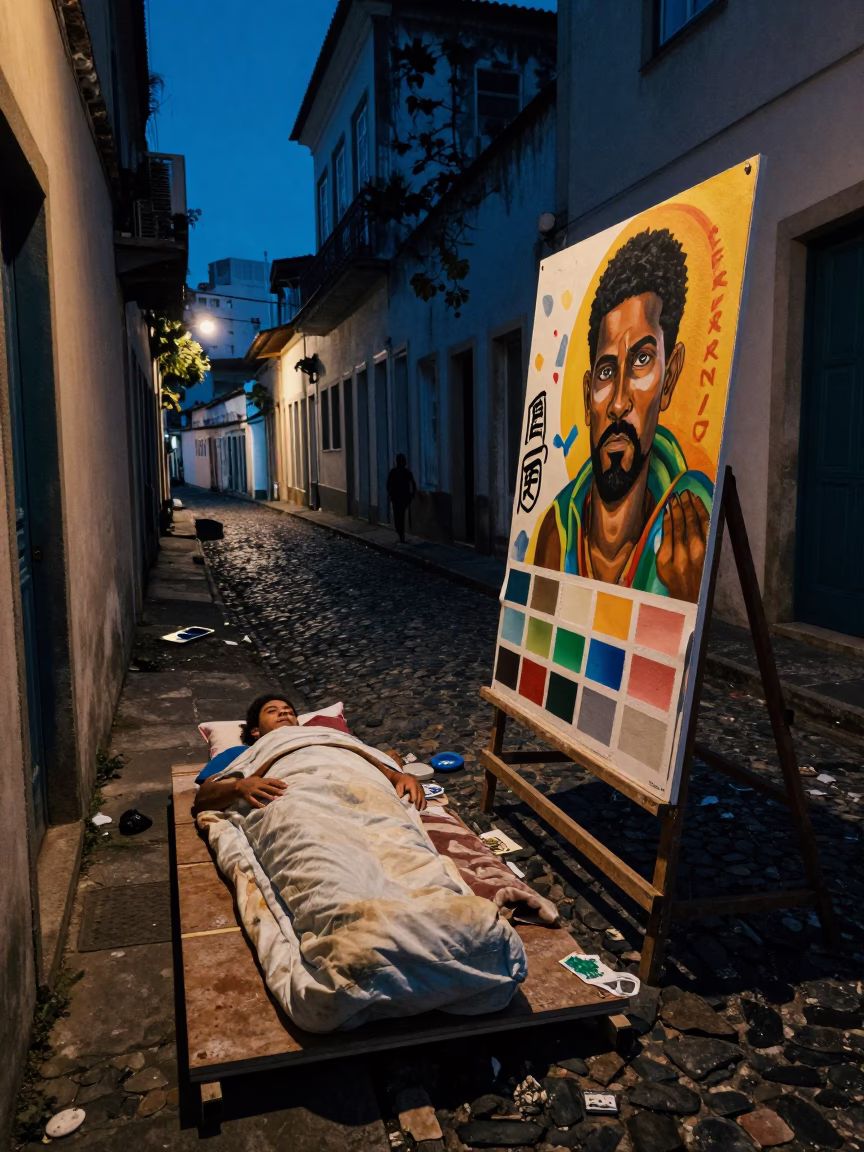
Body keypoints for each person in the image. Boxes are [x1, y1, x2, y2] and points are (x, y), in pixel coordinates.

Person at [530, 228, 713, 603]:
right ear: (587, 397)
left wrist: (688, 598)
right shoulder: (558, 531)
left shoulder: (691, 524)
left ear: (670, 376)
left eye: (642, 360)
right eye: (606, 371)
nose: (617, 403)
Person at [194, 692, 425, 812]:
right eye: (272, 711)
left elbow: (359, 757)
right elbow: (203, 798)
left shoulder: (325, 736)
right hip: (298, 798)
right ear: (255, 730)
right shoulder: (239, 753)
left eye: (289, 711)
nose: (284, 713)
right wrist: (239, 786)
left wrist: (398, 776)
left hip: (358, 790)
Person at [386, 453, 417, 543]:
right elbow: (388, 484)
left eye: (403, 461)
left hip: (403, 498)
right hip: (396, 498)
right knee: (398, 517)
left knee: (400, 516)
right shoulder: (393, 472)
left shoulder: (407, 473)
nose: (402, 463)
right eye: (400, 461)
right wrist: (390, 493)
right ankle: (400, 533)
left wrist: (411, 495)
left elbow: (413, 484)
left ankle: (401, 534)